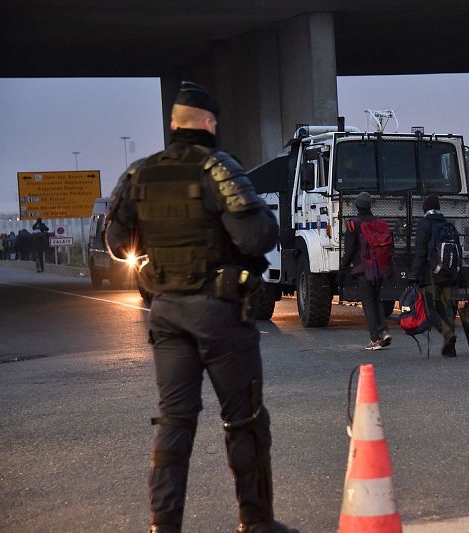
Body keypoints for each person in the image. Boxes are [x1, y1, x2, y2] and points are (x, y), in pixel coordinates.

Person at [105, 81, 297, 533]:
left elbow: (116, 243)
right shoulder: (218, 167)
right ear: (209, 123)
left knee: (174, 420)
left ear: (174, 125)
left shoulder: (138, 174)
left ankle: (163, 524)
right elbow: (255, 237)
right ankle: (256, 522)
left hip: (167, 312)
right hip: (220, 312)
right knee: (245, 420)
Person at [339, 191, 393, 350]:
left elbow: (349, 251)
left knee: (368, 303)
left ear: (357, 206)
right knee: (377, 300)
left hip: (363, 270)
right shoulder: (379, 222)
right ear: (370, 206)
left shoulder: (353, 224)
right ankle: (384, 332)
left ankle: (374, 339)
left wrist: (342, 271)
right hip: (380, 268)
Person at [409, 194, 459, 357]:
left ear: (425, 208)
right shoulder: (448, 225)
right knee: (447, 309)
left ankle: (447, 333)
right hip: (449, 274)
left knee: (428, 308)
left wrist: (414, 274)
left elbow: (420, 253)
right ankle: (451, 348)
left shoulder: (424, 224)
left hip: (431, 275)